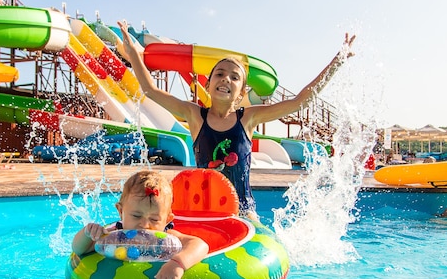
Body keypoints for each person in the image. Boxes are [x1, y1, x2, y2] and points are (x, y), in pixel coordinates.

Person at [118, 21, 356, 219]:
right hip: (207, 209)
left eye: (234, 77)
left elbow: (300, 102)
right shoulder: (194, 114)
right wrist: (133, 54)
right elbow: (150, 90)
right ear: (208, 84)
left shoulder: (249, 118)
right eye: (219, 74)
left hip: (243, 212)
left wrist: (337, 62)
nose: (226, 79)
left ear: (241, 92)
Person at [72, 170, 209, 279]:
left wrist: (177, 264)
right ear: (121, 211)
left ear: (167, 219)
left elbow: (200, 245)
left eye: (154, 219)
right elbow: (78, 249)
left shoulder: (167, 238)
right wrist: (88, 233)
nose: (144, 225)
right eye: (136, 216)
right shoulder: (113, 235)